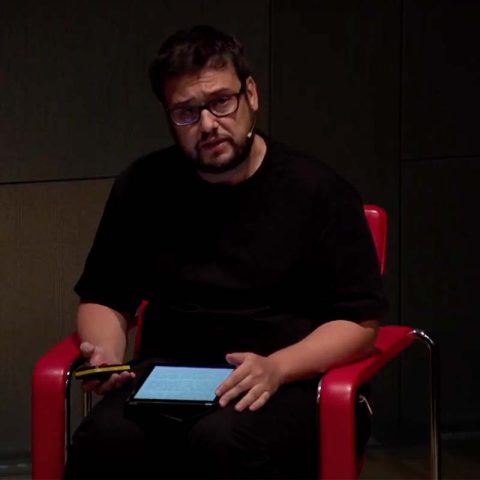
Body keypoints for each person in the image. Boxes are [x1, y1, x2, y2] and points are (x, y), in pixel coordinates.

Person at [65, 25, 387, 479]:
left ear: (250, 95)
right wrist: (107, 355)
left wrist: (278, 367)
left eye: (221, 102)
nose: (208, 125)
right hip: (172, 378)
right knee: (104, 441)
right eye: (186, 112)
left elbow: (359, 323)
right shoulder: (143, 187)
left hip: (290, 378)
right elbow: (104, 294)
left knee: (222, 442)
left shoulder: (317, 191)